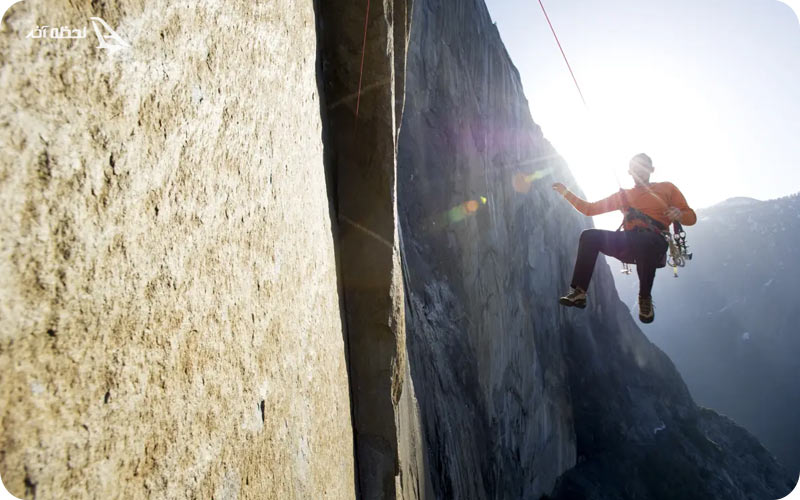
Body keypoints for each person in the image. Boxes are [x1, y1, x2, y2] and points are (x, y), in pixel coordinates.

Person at [551, 153, 696, 323]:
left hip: (654, 242)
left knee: (644, 241)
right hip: (629, 241)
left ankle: (644, 298)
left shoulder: (667, 188)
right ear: (630, 172)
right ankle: (579, 292)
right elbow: (589, 209)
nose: (639, 171)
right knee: (589, 236)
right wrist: (565, 193)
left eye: (642, 167)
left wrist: (679, 214)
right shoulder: (623, 195)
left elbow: (691, 217)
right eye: (635, 168)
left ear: (651, 170)